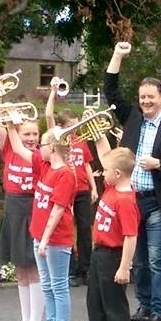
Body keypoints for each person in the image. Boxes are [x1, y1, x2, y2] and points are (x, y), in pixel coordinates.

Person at [104, 41, 161, 321]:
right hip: (132, 200)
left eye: (151, 97)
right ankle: (143, 305)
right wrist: (117, 55)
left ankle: (158, 312)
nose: (146, 101)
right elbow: (111, 90)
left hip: (158, 201)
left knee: (156, 259)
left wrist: (159, 164)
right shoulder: (131, 117)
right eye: (142, 96)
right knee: (139, 260)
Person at [8, 125, 76, 321]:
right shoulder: (44, 165)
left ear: (54, 147)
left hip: (56, 238)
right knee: (47, 286)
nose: (39, 147)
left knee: (58, 286)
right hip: (41, 235)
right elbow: (17, 147)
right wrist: (10, 123)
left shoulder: (65, 174)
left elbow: (58, 210)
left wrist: (45, 239)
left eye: (43, 144)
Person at [72, 146, 140, 321]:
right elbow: (105, 154)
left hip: (114, 256)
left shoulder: (126, 199)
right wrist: (99, 133)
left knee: (114, 308)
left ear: (118, 174)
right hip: (99, 254)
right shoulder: (111, 187)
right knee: (96, 305)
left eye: (107, 170)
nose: (102, 173)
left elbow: (131, 236)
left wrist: (124, 267)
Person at [0, 117, 45, 321]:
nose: (32, 138)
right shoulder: (10, 149)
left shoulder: (40, 156)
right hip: (12, 208)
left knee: (32, 267)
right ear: (17, 134)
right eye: (27, 134)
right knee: (20, 269)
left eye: (35, 134)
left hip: (31, 208)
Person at [45, 84, 98, 286]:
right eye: (72, 125)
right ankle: (70, 270)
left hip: (82, 189)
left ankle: (86, 268)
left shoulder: (81, 141)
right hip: (65, 189)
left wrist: (94, 187)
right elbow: (49, 114)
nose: (75, 129)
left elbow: (86, 165)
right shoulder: (57, 139)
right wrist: (52, 92)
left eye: (77, 125)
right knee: (65, 229)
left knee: (85, 228)